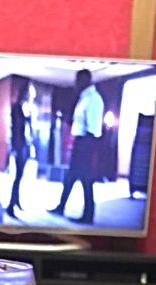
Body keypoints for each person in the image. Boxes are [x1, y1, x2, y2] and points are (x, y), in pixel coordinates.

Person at [50, 69, 104, 224]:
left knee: (86, 179)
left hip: (86, 141)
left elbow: (93, 128)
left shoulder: (93, 99)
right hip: (80, 141)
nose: (75, 83)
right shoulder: (84, 98)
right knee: (70, 177)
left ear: (85, 80)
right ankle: (61, 207)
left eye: (78, 80)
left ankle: (88, 215)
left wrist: (86, 146)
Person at [6, 81, 33, 218]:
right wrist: (15, 148)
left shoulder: (24, 108)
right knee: (18, 176)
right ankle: (11, 205)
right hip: (20, 145)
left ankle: (16, 201)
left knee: (20, 176)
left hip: (24, 145)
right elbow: (15, 129)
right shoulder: (16, 108)